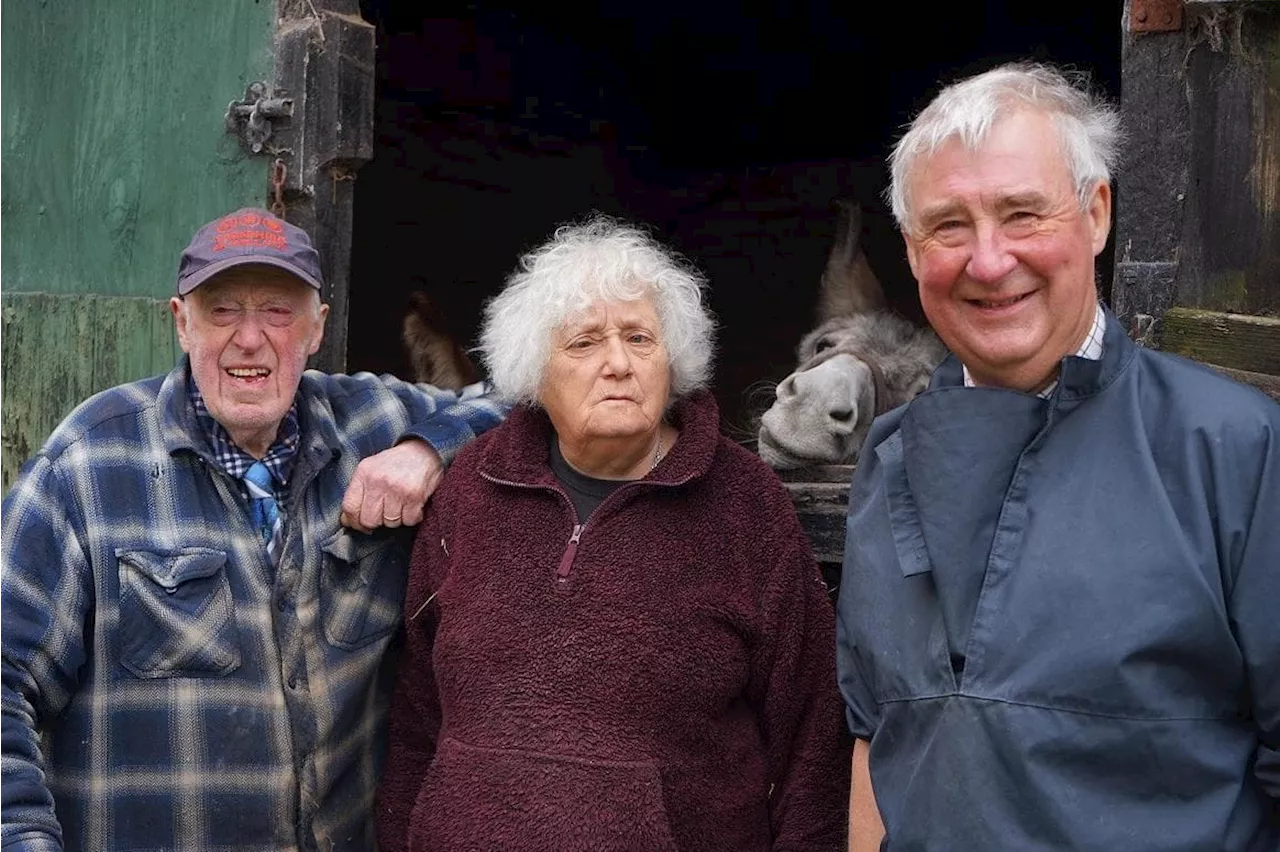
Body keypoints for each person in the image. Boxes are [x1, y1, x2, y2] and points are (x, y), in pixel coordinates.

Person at [836, 62, 1280, 850]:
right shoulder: (889, 460)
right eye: (948, 226)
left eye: (1022, 214)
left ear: (1097, 213)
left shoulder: (1236, 449)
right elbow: (878, 736)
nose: (989, 260)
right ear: (910, 251)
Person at [0, 208, 506, 851]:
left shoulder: (374, 422)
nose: (249, 339)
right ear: (181, 323)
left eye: (277, 310)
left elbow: (532, 399)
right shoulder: (90, 462)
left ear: (318, 325)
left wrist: (426, 450)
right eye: (222, 311)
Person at [376, 216, 850, 851]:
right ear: (533, 370)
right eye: (584, 344)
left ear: (673, 360)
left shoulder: (746, 505)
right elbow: (418, 716)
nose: (619, 364)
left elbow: (812, 740)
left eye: (640, 338)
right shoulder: (472, 488)